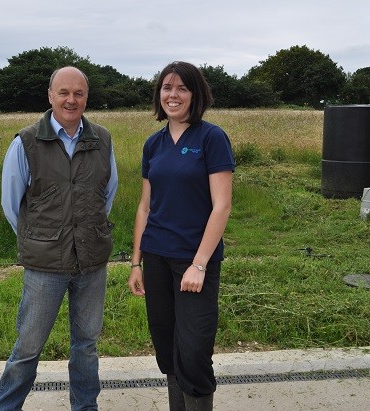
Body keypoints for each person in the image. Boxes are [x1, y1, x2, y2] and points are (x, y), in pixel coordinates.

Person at [0, 66, 118, 411]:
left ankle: (85, 407)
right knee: (27, 348)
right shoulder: (27, 142)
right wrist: (41, 241)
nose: (71, 100)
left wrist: (84, 233)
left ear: (86, 98)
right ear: (50, 96)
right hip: (45, 265)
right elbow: (11, 204)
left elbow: (107, 194)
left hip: (91, 263)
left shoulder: (102, 139)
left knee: (86, 346)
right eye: (63, 92)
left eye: (78, 93)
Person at [127, 61, 235, 411]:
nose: (173, 95)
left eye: (182, 88)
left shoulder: (211, 138)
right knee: (166, 343)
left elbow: (222, 206)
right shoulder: (153, 144)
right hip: (156, 256)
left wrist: (199, 264)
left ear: (195, 94)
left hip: (194, 263)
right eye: (166, 88)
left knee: (194, 348)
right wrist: (136, 262)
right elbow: (145, 206)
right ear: (159, 95)